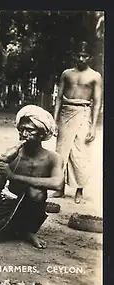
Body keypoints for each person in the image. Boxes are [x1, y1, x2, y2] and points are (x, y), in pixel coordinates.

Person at [0, 105, 63, 249]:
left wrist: (13, 176)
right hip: (8, 206)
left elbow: (57, 183)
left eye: (29, 130)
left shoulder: (53, 158)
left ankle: (28, 231)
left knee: (36, 193)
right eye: (21, 130)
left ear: (41, 133)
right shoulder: (13, 156)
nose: (24, 134)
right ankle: (15, 230)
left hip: (31, 210)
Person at [52, 41, 102, 204]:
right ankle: (59, 187)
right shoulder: (67, 74)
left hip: (83, 113)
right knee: (61, 151)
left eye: (84, 56)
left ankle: (79, 189)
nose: (81, 58)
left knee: (81, 152)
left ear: (90, 58)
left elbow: (97, 101)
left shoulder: (95, 76)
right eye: (79, 55)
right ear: (75, 56)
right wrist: (55, 120)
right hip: (66, 112)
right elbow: (59, 97)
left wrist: (93, 127)